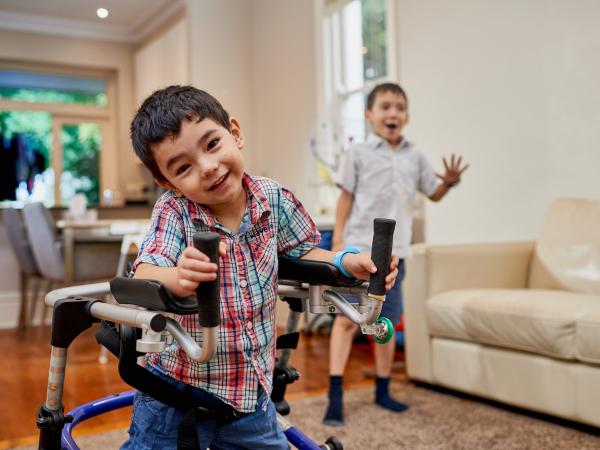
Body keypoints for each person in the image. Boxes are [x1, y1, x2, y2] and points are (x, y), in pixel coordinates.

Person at [122, 85, 400, 450]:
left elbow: (303, 251)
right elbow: (144, 273)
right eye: (184, 167)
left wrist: (349, 262)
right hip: (176, 394)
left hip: (249, 395)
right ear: (166, 181)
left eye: (212, 145)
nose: (207, 168)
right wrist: (177, 276)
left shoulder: (272, 197)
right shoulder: (175, 211)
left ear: (234, 133)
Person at [323, 82, 469, 426]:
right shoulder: (357, 153)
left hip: (395, 254)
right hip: (357, 249)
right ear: (369, 115)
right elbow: (345, 199)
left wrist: (448, 182)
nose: (393, 113)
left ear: (407, 116)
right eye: (385, 107)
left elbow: (433, 193)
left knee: (383, 324)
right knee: (346, 321)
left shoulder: (415, 155)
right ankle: (334, 395)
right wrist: (338, 241)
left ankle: (384, 390)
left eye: (400, 108)